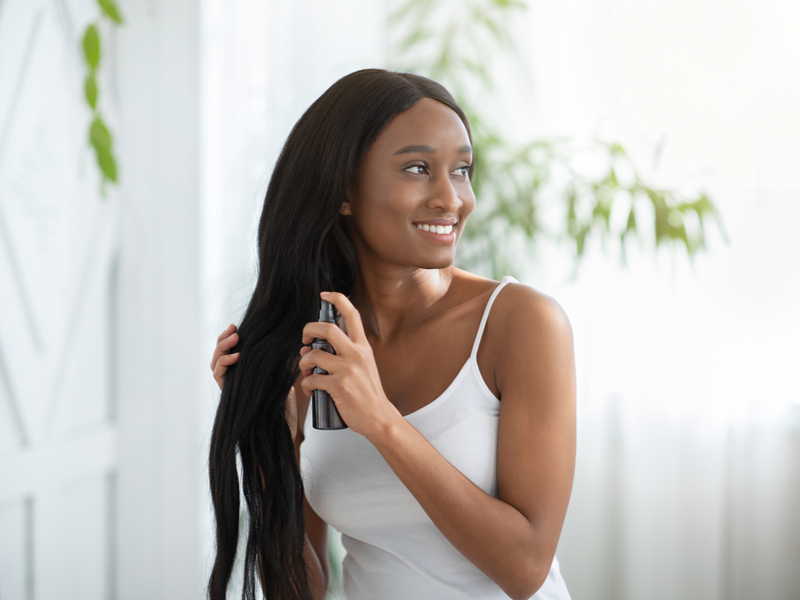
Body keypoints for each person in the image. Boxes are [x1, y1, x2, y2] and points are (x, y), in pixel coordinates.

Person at [207, 69, 576, 600]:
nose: (453, 199)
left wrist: (380, 420)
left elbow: (525, 569)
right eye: (419, 168)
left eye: (463, 170)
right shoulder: (316, 349)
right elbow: (299, 591)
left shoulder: (521, 324)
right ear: (343, 191)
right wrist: (269, 438)